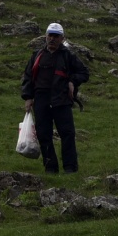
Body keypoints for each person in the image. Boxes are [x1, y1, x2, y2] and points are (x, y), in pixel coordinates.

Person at [21, 22, 90, 174]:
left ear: (62, 38)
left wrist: (72, 81)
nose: (52, 39)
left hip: (62, 100)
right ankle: (50, 168)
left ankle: (70, 168)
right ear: (45, 36)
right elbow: (28, 77)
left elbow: (84, 73)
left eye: (56, 36)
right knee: (43, 134)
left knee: (67, 133)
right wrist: (28, 97)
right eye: (50, 35)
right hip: (41, 100)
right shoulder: (37, 55)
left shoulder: (69, 56)